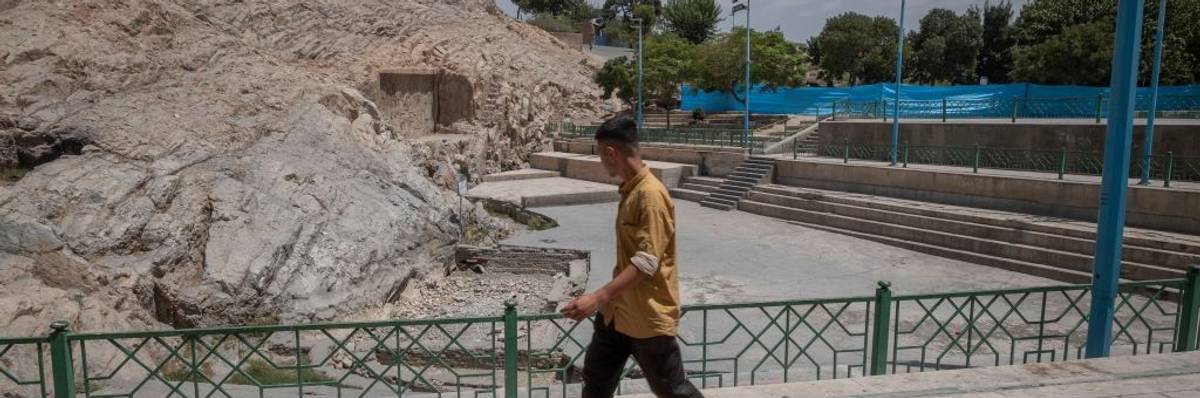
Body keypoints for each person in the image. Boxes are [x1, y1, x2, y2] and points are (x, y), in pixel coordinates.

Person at [560, 116, 703, 398]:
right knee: (596, 382)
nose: (601, 163)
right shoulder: (631, 191)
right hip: (617, 314)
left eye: (601, 156)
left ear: (610, 153)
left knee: (673, 390)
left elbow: (646, 262)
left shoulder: (650, 195)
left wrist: (596, 298)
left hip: (646, 317)